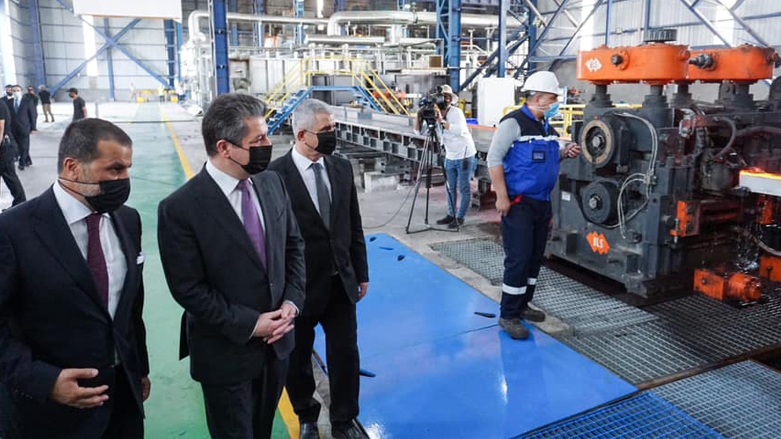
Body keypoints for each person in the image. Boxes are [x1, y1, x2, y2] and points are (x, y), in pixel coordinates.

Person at [158, 93, 306, 439]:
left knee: (262, 429)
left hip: (278, 346)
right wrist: (251, 324)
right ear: (224, 147)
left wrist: (291, 303)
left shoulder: (271, 182)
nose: (269, 145)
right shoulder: (181, 209)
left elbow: (293, 246)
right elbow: (188, 288)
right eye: (258, 140)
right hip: (226, 353)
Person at [0, 118, 151, 438]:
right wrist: (43, 381)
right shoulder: (13, 232)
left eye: (127, 168)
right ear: (72, 167)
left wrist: (140, 369)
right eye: (114, 169)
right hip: (48, 415)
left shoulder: (128, 220)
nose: (125, 179)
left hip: (122, 401)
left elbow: (130, 308)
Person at [268, 99, 369, 439]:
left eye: (333, 128)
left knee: (345, 355)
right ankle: (306, 414)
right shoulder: (273, 177)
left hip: (341, 281)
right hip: (298, 289)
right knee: (296, 360)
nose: (333, 136)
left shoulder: (340, 168)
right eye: (326, 131)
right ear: (302, 134)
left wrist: (361, 271)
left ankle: (343, 420)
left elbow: (353, 224)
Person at [486, 71, 581, 340]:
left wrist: (564, 153)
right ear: (537, 97)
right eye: (552, 98)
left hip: (541, 204)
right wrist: (501, 196)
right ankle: (508, 315)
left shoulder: (546, 128)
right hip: (519, 204)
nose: (555, 103)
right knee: (518, 258)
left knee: (534, 258)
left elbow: (544, 161)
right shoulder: (513, 123)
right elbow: (494, 158)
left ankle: (523, 304)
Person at [415, 84, 477, 229]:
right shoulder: (434, 113)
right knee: (449, 187)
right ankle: (451, 214)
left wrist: (441, 121)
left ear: (449, 100)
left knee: (463, 188)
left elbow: (460, 130)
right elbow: (419, 132)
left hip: (464, 155)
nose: (445, 99)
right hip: (450, 155)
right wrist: (418, 116)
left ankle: (460, 217)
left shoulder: (456, 112)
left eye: (447, 96)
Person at [0, 95, 25, 207]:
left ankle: (21, 203)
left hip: (4, 148)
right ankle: (20, 203)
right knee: (9, 177)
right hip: (4, 147)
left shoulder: (0, 105)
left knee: (10, 176)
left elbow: (1, 127)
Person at [10, 85, 36, 170]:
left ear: (21, 91)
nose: (16, 92)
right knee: (18, 146)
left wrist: (33, 127)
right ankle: (28, 159)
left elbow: (33, 115)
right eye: (14, 91)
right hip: (13, 128)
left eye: (17, 90)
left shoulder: (28, 101)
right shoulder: (10, 102)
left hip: (25, 127)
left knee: (24, 145)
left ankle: (22, 162)